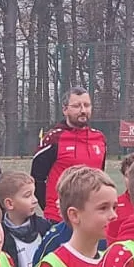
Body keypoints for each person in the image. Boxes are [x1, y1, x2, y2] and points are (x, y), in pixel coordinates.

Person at [31, 88, 107, 220]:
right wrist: (50, 208)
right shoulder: (54, 138)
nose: (83, 110)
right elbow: (37, 178)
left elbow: (100, 176)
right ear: (65, 110)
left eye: (87, 105)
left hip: (91, 217)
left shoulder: (99, 138)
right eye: (77, 106)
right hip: (59, 218)